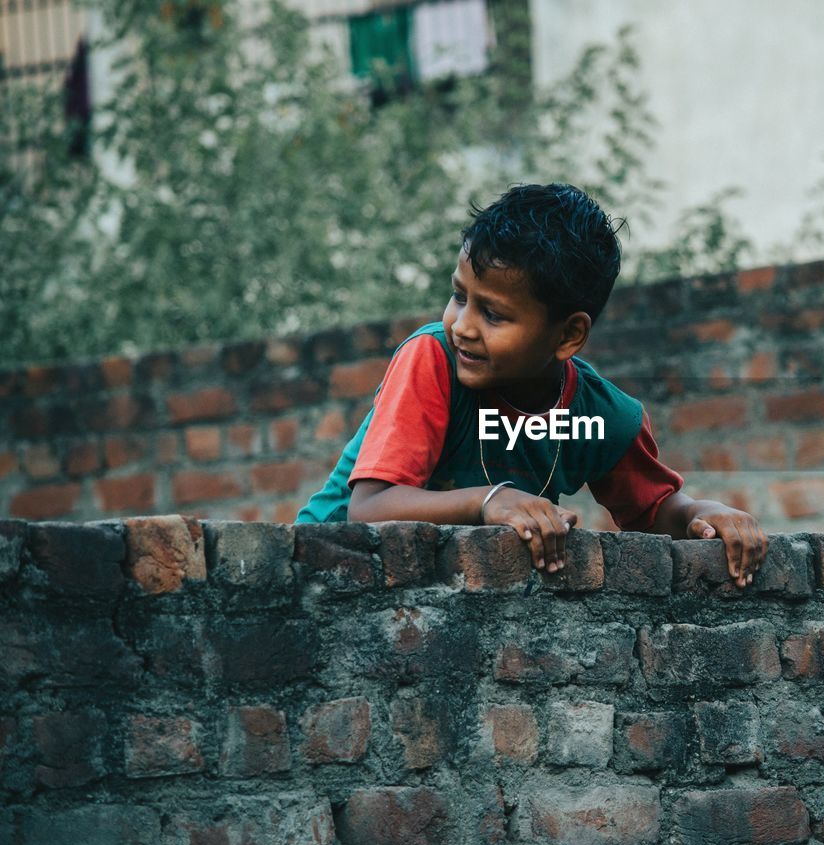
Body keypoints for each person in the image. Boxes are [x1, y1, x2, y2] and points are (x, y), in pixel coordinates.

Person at [296, 183, 767, 587]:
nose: (462, 325)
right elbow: (370, 507)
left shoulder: (599, 416)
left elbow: (653, 511)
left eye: (494, 314)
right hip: (326, 569)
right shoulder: (433, 358)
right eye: (460, 296)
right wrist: (490, 501)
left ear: (567, 335)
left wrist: (701, 514)